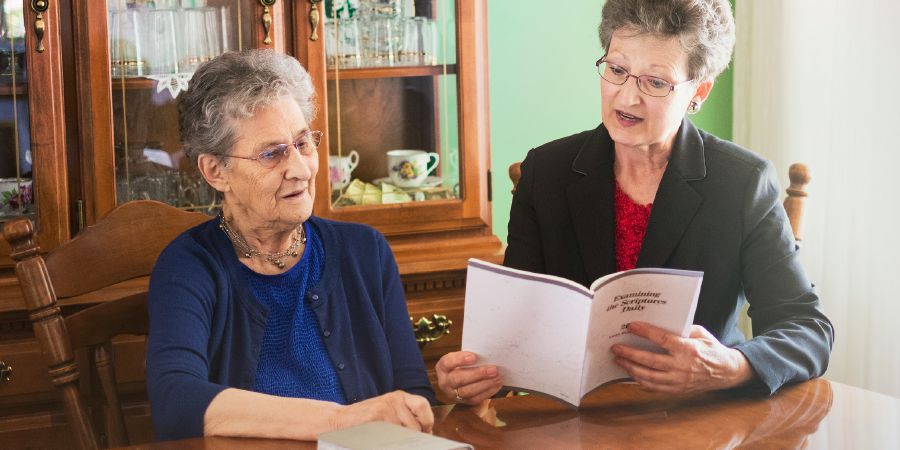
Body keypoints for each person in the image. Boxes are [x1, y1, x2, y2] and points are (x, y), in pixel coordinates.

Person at [438, 0, 833, 400]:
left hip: (701, 420)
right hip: (577, 420)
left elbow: (807, 329)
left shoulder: (742, 182)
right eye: (617, 70)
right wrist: (474, 378)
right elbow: (516, 334)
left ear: (698, 91)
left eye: (656, 82)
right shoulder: (546, 173)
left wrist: (730, 365)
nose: (627, 99)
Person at [147, 49, 436, 441]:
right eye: (272, 154)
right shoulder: (189, 266)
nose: (300, 169)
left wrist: (436, 398)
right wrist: (341, 422)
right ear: (216, 171)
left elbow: (413, 395)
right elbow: (177, 405)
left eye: (303, 143)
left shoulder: (365, 252)